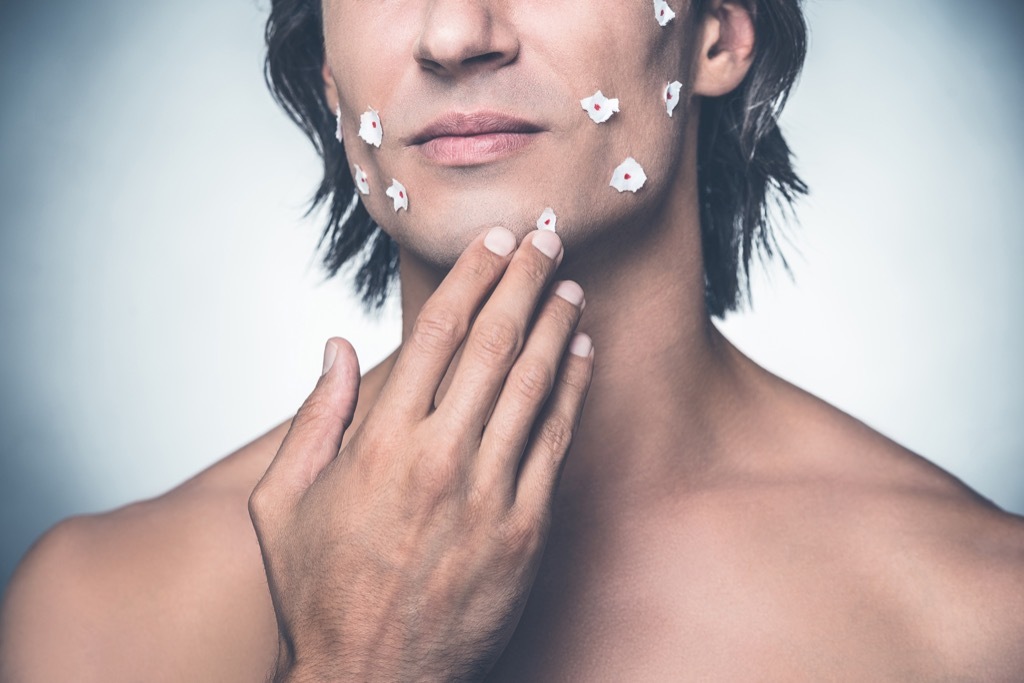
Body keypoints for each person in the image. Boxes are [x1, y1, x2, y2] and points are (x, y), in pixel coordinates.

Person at [2, 0, 1023, 680]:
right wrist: (355, 665)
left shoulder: (982, 623)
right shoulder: (98, 613)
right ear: (327, 71)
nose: (454, 33)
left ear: (714, 34)